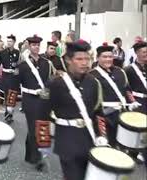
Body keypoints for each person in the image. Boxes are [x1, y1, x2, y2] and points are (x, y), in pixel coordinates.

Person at [40, 40, 108, 180]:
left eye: (87, 59)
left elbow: (98, 112)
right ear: (68, 60)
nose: (85, 63)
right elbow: (42, 114)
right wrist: (43, 142)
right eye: (79, 59)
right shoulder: (55, 83)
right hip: (67, 140)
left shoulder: (94, 83)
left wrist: (102, 135)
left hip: (90, 138)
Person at [89, 43, 140, 147]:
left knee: (124, 145)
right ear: (97, 58)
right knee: (108, 146)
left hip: (122, 114)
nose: (108, 59)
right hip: (104, 116)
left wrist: (132, 101)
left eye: (110, 56)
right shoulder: (92, 75)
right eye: (104, 57)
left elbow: (127, 89)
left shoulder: (120, 71)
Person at [17, 35, 55, 170]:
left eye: (38, 45)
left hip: (43, 99)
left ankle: (30, 154)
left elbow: (50, 82)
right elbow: (16, 83)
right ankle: (38, 158)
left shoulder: (46, 63)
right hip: (30, 99)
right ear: (29, 46)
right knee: (34, 128)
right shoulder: (22, 65)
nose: (36, 47)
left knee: (41, 127)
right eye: (33, 45)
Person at [124, 41, 147, 166]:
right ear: (137, 53)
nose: (146, 54)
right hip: (139, 102)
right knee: (139, 129)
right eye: (144, 52)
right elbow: (126, 88)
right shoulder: (129, 69)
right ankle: (132, 153)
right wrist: (131, 101)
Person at [0, 34, 20, 124]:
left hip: (14, 76)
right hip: (5, 76)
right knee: (6, 96)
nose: (9, 43)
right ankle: (7, 114)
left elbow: (20, 64)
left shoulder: (18, 52)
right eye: (8, 41)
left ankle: (10, 114)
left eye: (11, 41)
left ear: (14, 42)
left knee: (12, 96)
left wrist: (17, 69)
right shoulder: (2, 52)